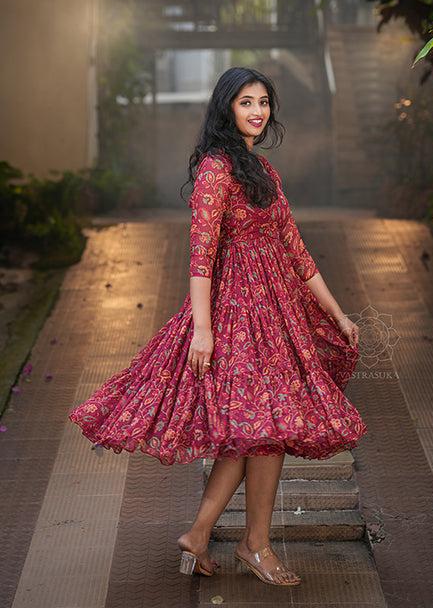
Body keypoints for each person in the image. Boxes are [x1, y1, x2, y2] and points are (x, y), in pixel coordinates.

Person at [68, 66, 368, 587]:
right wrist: (203, 330)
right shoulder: (215, 170)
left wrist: (338, 313)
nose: (257, 111)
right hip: (234, 316)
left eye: (264, 102)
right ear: (226, 108)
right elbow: (201, 256)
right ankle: (255, 545)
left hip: (277, 313)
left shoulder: (263, 170)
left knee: (258, 431)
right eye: (246, 102)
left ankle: (201, 535)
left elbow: (296, 249)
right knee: (262, 429)